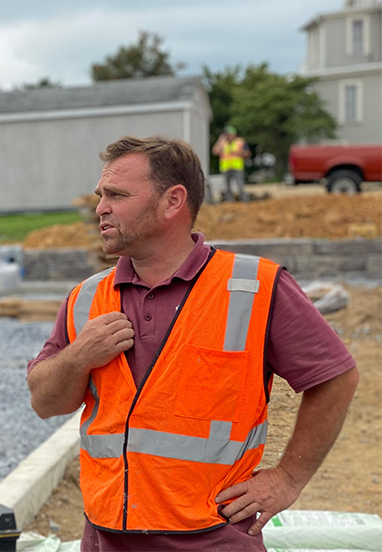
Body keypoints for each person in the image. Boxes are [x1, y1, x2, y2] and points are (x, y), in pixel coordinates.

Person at [26, 136, 359, 552]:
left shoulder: (253, 287)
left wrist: (289, 477)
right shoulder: (87, 298)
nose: (100, 208)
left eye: (116, 195)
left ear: (173, 201)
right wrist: (78, 357)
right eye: (100, 196)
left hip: (211, 540)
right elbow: (45, 403)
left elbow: (336, 379)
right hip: (105, 538)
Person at [212, 125, 251, 202]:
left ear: (234, 134)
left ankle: (245, 201)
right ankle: (230, 202)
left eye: (229, 134)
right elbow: (215, 152)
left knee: (240, 185)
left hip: (237, 167)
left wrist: (239, 153)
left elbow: (248, 154)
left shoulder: (239, 142)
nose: (227, 136)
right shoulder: (222, 143)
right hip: (226, 168)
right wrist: (220, 140)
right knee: (227, 187)